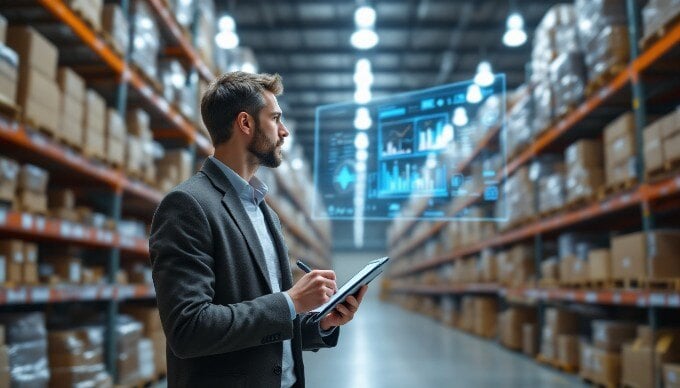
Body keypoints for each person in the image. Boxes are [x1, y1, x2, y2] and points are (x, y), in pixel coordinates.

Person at [150, 71, 367, 387]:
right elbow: (189, 329)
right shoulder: (187, 205)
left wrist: (319, 323)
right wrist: (291, 301)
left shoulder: (264, 211)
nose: (284, 131)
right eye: (275, 118)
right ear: (245, 124)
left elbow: (268, 331)